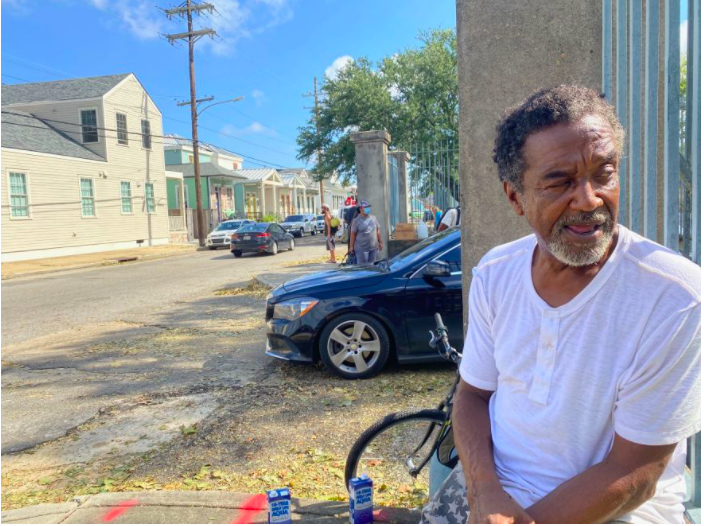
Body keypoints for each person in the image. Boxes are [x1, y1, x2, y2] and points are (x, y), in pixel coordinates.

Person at [422, 85, 700, 524]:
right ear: (515, 197)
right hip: (496, 492)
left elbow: (636, 473)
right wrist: (484, 492)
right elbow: (472, 395)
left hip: (617, 512)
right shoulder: (496, 274)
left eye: (604, 174)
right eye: (560, 182)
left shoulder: (674, 297)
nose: (589, 200)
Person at [349, 201, 382, 266]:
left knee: (373, 267)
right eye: (365, 207)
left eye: (368, 207)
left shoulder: (373, 218)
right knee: (363, 267)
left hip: (373, 248)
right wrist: (351, 246)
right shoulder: (356, 220)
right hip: (361, 249)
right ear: (360, 209)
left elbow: (377, 230)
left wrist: (380, 242)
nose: (367, 209)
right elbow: (353, 234)